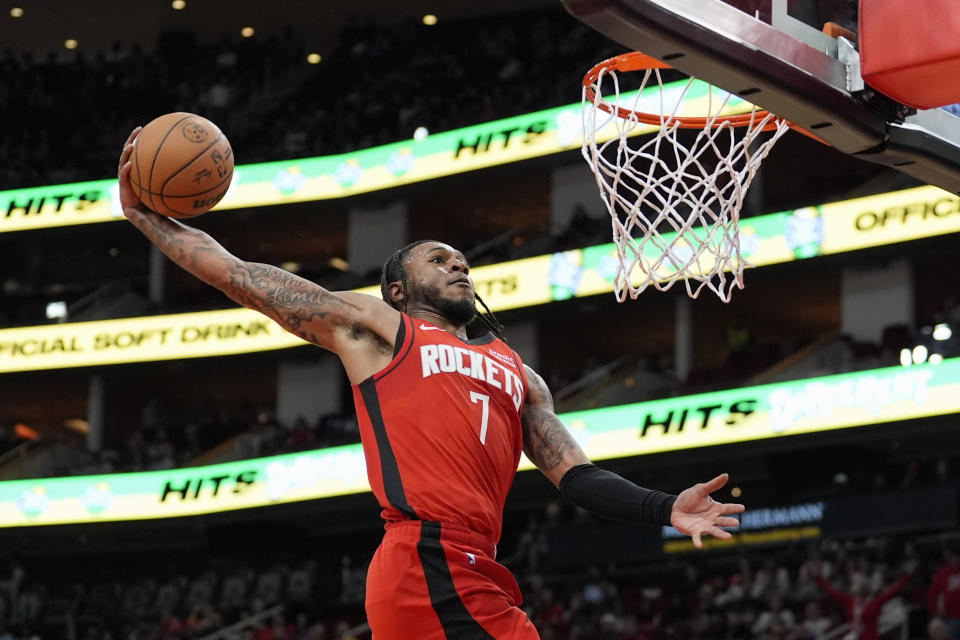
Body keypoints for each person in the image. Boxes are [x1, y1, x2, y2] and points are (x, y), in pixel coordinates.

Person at [117, 128, 745, 640]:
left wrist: (665, 508)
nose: (458, 264)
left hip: (478, 565)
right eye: (437, 259)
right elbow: (237, 274)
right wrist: (145, 218)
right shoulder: (376, 328)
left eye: (461, 259)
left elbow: (578, 478)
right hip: (424, 559)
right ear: (398, 288)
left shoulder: (519, 374)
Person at [814, 566, 913, 640]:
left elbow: (893, 591)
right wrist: (819, 578)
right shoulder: (850, 601)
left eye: (864, 585)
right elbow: (833, 592)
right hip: (855, 636)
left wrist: (908, 577)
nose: (862, 587)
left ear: (868, 587)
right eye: (860, 585)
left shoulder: (876, 601)